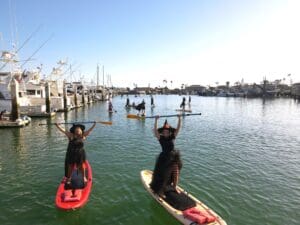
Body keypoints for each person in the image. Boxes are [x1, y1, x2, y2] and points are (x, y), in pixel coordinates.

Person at [150, 115, 182, 197]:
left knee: (176, 173)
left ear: (170, 132)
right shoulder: (160, 138)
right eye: (164, 132)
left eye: (167, 132)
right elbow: (156, 131)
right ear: (162, 132)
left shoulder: (172, 137)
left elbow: (178, 129)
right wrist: (156, 120)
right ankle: (161, 191)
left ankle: (174, 187)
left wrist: (179, 118)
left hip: (173, 157)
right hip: (164, 158)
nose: (165, 133)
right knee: (164, 175)